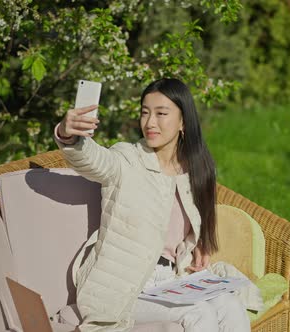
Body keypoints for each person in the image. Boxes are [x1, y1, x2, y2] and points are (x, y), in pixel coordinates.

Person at [55, 78, 251, 332]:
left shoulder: (193, 170)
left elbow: (187, 222)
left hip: (171, 279)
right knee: (199, 314)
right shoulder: (127, 159)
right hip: (128, 285)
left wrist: (196, 244)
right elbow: (93, 160)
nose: (150, 122)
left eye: (161, 113)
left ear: (183, 122)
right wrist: (67, 133)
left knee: (230, 304)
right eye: (145, 113)